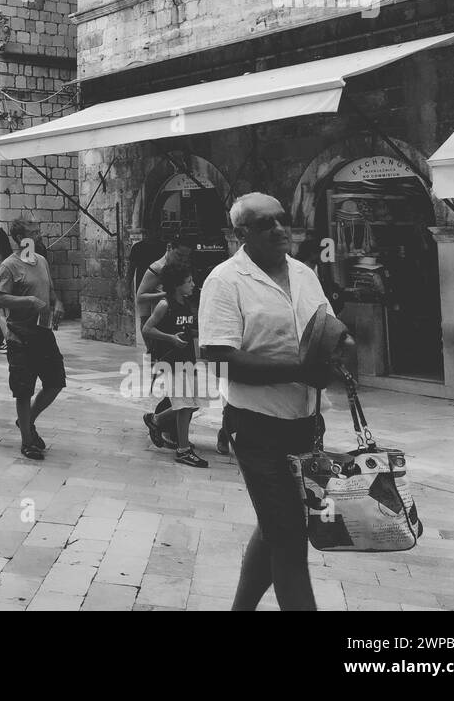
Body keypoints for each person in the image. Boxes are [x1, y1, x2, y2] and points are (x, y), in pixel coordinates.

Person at [199, 193, 345, 612]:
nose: (280, 229)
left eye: (282, 219)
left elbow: (327, 329)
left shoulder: (304, 274)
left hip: (307, 424)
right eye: (265, 224)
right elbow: (220, 358)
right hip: (257, 427)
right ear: (241, 234)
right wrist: (299, 369)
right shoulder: (225, 281)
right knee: (290, 540)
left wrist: (341, 348)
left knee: (277, 525)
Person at [0, 215, 66, 461]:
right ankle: (27, 441)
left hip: (44, 333)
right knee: (23, 390)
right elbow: (0, 299)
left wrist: (58, 304)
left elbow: (51, 291)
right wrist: (28, 301)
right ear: (18, 238)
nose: (38, 236)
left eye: (38, 231)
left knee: (56, 382)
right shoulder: (9, 266)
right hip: (20, 336)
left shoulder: (43, 261)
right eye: (32, 233)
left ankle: (27, 421)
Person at [141, 262, 208, 467]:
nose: (193, 284)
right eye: (188, 281)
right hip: (171, 360)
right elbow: (147, 329)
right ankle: (183, 449)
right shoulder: (165, 304)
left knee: (194, 403)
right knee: (185, 404)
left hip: (188, 358)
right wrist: (171, 338)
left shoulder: (187, 303)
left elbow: (188, 329)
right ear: (177, 285)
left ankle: (156, 420)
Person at [136, 234, 196, 429]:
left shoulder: (178, 270)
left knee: (181, 390)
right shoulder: (157, 269)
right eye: (179, 255)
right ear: (169, 248)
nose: (182, 260)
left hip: (172, 326)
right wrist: (169, 292)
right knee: (178, 389)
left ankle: (165, 426)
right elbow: (140, 296)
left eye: (185, 257)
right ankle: (160, 423)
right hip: (159, 327)